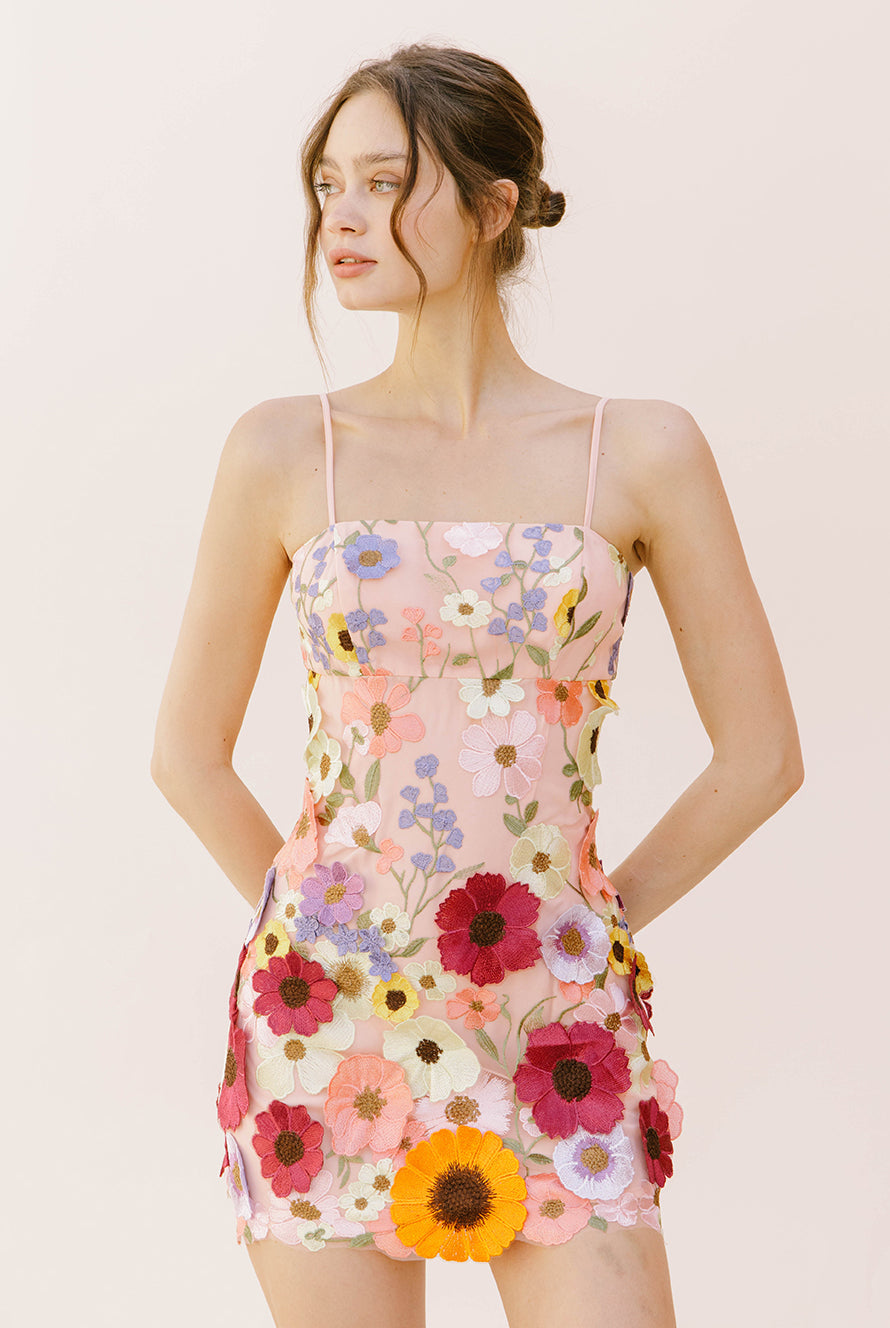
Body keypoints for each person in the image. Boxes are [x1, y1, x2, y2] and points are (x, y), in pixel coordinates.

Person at [151, 41, 803, 1328]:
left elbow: (760, 758)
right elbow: (186, 751)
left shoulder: (640, 449)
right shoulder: (286, 450)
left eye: (384, 180)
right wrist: (325, 939)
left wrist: (591, 930)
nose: (341, 213)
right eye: (326, 181)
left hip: (555, 1027)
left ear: (493, 204)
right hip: (329, 1035)